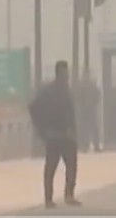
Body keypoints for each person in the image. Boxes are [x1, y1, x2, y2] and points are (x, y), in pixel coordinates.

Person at [29, 60, 81, 209]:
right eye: (65, 72)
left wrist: (73, 129)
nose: (68, 74)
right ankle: (48, 198)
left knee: (71, 164)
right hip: (53, 134)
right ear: (59, 72)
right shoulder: (49, 91)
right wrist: (41, 127)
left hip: (66, 134)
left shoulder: (66, 90)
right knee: (51, 167)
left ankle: (69, 194)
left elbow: (71, 112)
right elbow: (33, 107)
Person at [74, 71, 102, 153]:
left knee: (85, 128)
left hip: (84, 109)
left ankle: (85, 146)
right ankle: (95, 146)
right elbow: (98, 95)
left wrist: (81, 104)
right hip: (91, 108)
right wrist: (94, 103)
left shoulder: (80, 85)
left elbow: (76, 96)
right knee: (94, 127)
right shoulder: (92, 85)